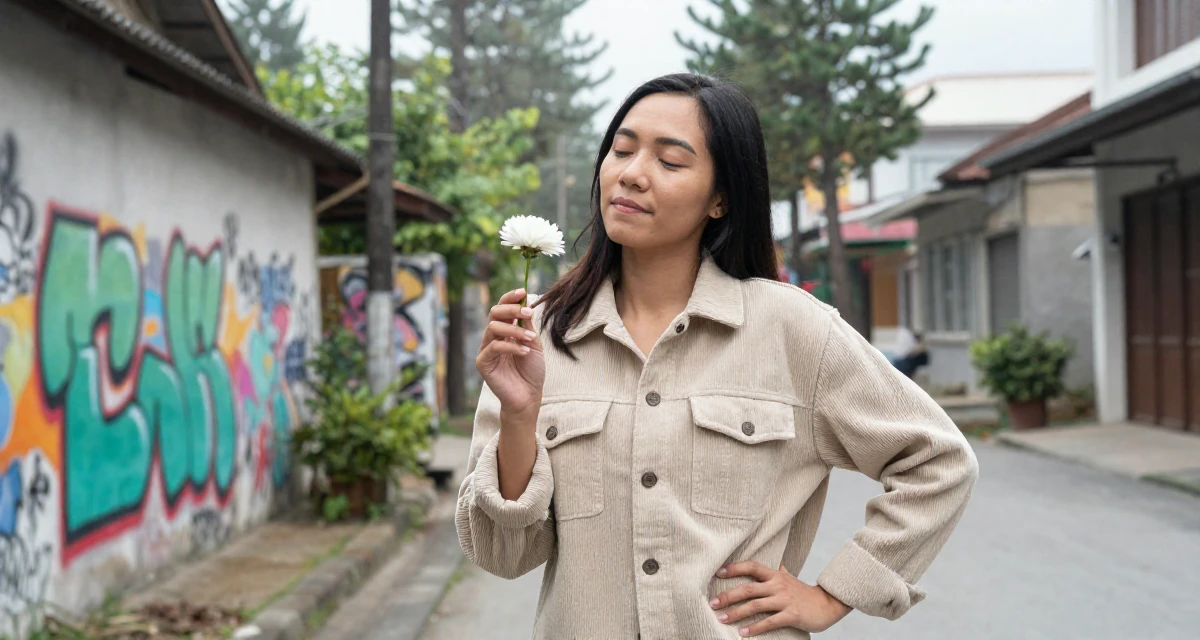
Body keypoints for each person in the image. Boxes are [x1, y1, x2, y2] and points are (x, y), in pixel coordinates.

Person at [457, 73, 979, 639]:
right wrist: (519, 417)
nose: (632, 173)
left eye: (670, 161)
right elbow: (503, 555)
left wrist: (834, 594)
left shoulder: (791, 329)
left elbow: (939, 462)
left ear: (721, 198)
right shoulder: (537, 334)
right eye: (622, 150)